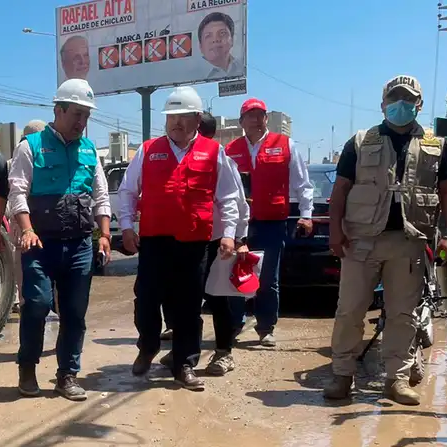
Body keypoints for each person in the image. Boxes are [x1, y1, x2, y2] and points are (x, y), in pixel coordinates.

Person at [325, 75, 447, 405]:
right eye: (394, 100)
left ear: (419, 105)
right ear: (382, 105)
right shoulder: (360, 140)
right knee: (350, 310)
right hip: (360, 241)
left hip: (409, 243)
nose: (401, 105)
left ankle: (396, 379)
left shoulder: (437, 145)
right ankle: (342, 375)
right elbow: (340, 190)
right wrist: (335, 231)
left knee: (402, 314)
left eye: (408, 100)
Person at [116, 86, 241, 391]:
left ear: (197, 119)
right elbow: (128, 191)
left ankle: (184, 363)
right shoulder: (148, 150)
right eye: (172, 116)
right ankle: (148, 347)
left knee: (187, 305)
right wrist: (127, 226)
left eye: (184, 117)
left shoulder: (214, 153)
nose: (176, 123)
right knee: (146, 300)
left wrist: (228, 235)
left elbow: (229, 197)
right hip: (154, 241)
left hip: (194, 241)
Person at [7, 79, 111, 401]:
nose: (82, 122)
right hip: (39, 244)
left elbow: (101, 196)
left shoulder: (90, 150)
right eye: (76, 114)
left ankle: (67, 375)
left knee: (75, 312)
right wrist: (26, 229)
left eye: (86, 116)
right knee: (36, 304)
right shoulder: (31, 146)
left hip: (79, 244)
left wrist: (105, 234)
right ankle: (27, 367)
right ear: (58, 110)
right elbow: (17, 192)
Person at [159, 111, 250, 375]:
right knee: (183, 298)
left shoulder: (219, 158)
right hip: (183, 240)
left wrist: (238, 238)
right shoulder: (174, 157)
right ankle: (184, 350)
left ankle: (223, 353)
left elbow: (238, 203)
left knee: (217, 297)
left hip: (216, 241)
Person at [225, 98, 315, 347]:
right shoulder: (230, 150)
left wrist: (306, 215)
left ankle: (266, 328)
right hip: (239, 224)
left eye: (260, 115)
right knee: (234, 275)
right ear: (241, 121)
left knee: (267, 278)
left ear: (266, 119)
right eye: (250, 115)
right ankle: (234, 323)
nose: (256, 119)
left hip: (272, 223)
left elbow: (302, 184)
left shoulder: (286, 145)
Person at [0, 120, 48, 312]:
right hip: (26, 222)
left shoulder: (10, 164)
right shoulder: (15, 163)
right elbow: (1, 200)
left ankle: (25, 302)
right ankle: (28, 303)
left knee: (22, 263)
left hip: (25, 224)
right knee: (25, 262)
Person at [199, 12, 244, 80]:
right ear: (201, 47)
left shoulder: (242, 66)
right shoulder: (191, 74)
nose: (216, 39)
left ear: (232, 40)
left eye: (222, 33)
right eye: (208, 36)